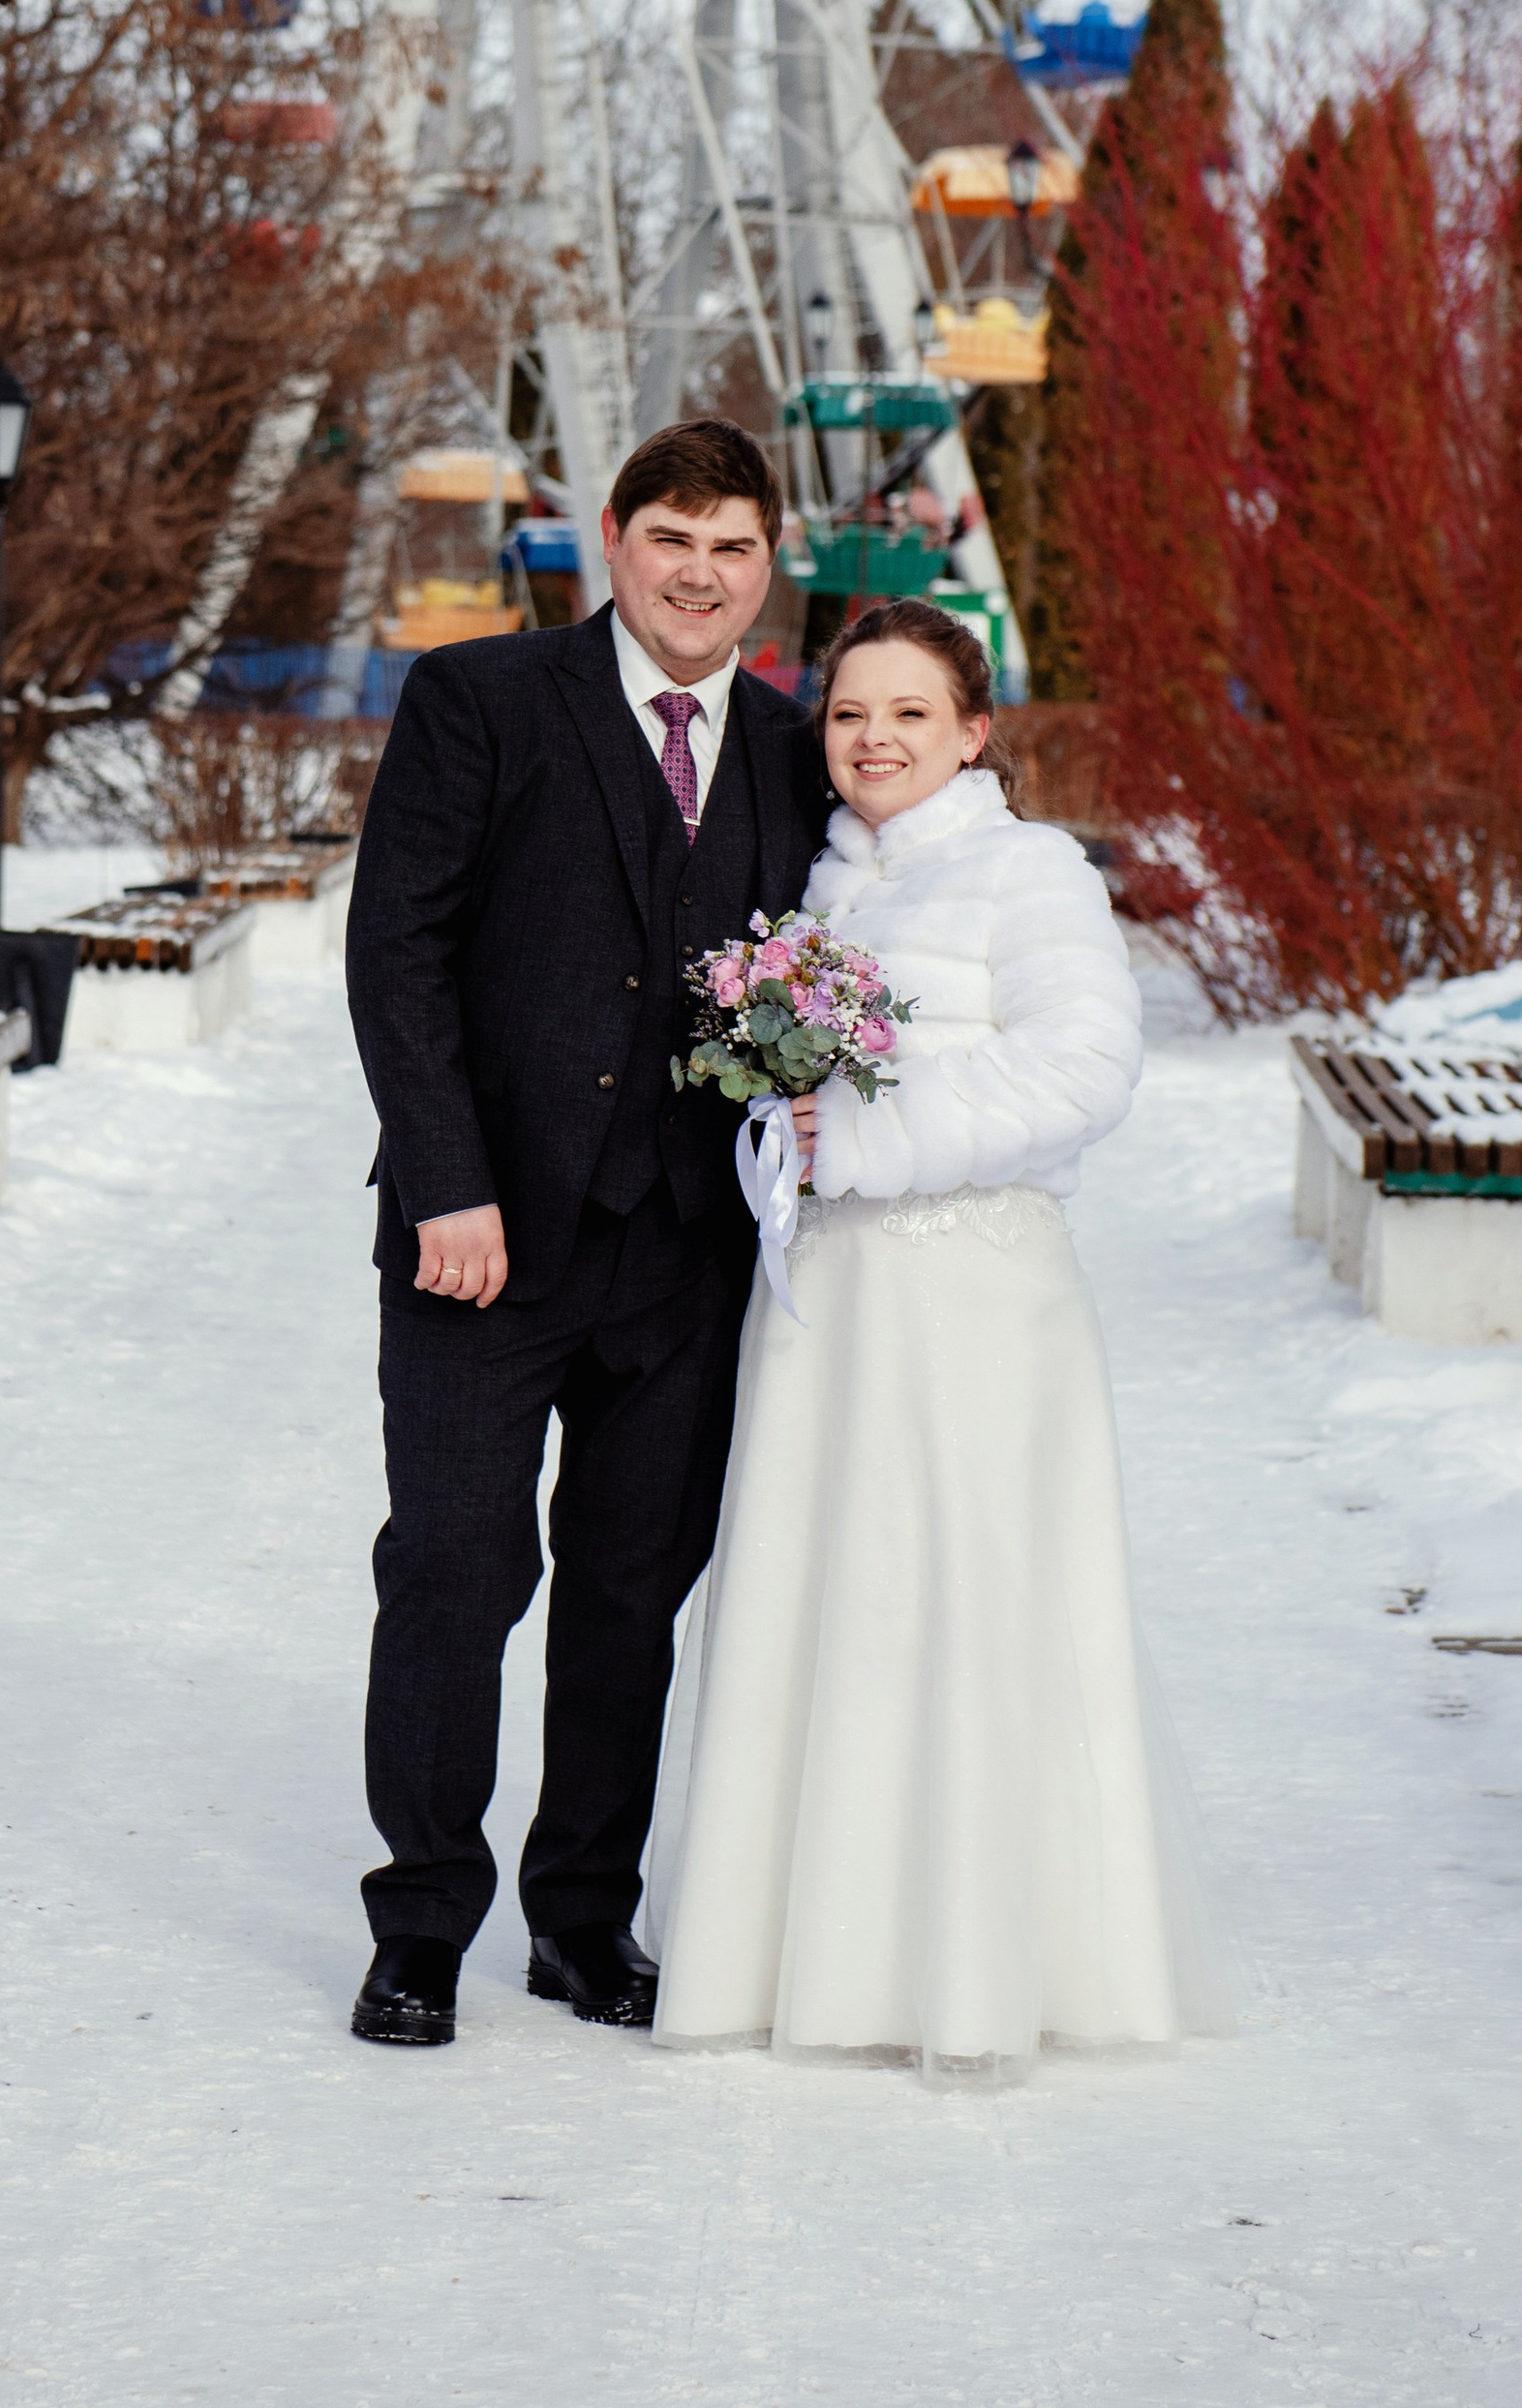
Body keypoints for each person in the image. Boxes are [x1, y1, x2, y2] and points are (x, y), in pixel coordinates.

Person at [647, 594, 1232, 2079]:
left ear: (975, 732)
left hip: (976, 1297)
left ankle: (978, 1971)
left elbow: (1088, 1062)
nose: (874, 739)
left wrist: (868, 1138)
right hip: (833, 1304)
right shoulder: (823, 890)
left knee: (968, 1601)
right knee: (833, 1599)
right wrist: (783, 1137)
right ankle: (824, 1959)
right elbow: (798, 1094)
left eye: (910, 712)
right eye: (848, 714)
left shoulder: (1027, 871)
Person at [343, 417, 833, 2049]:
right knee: (455, 1574)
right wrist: (444, 1185)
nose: (702, 577)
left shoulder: (786, 747)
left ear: (770, 567)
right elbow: (397, 953)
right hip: (484, 1241)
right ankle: (419, 1923)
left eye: (735, 550)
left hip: (686, 1253)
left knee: (634, 1594)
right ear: (611, 541)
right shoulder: (479, 702)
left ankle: (581, 1923)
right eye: (673, 542)